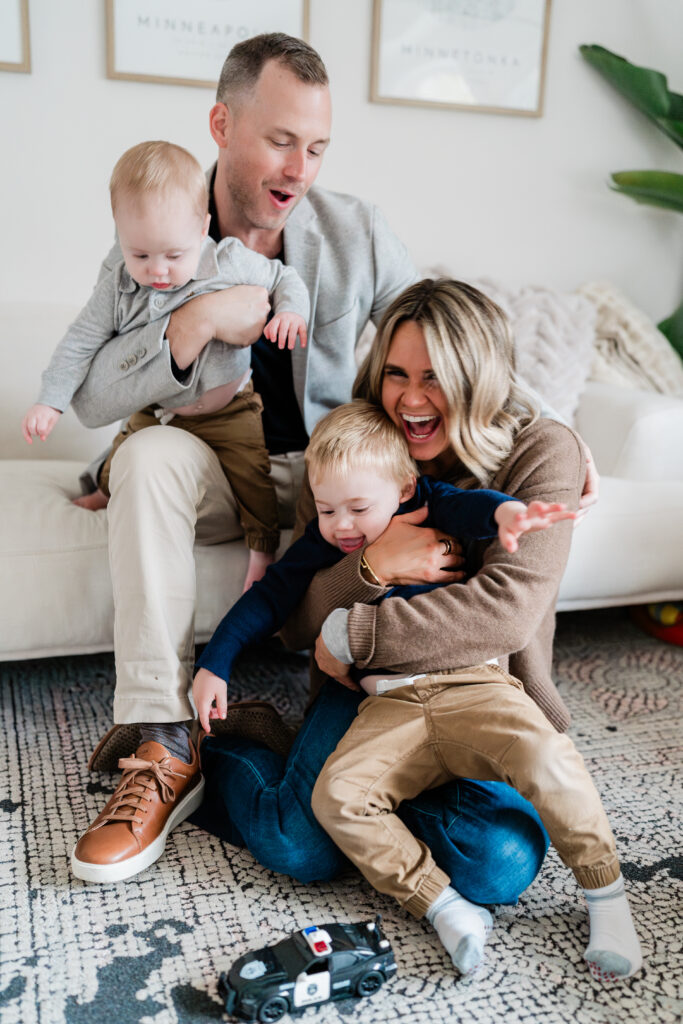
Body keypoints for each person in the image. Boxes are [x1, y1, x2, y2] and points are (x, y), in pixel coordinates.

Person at [68, 34, 595, 888]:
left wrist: (555, 432)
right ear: (221, 125)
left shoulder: (357, 232)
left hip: (337, 483)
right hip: (217, 465)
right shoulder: (160, 231)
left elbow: (445, 350)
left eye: (316, 148)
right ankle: (165, 744)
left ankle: (337, 769)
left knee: (478, 852)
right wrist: (188, 325)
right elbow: (92, 397)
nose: (299, 168)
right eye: (281, 141)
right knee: (151, 456)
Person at [196, 279, 640, 983]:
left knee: (499, 865)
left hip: (477, 687)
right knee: (299, 844)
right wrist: (371, 563)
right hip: (371, 697)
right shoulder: (359, 450)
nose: (409, 399)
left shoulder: (541, 450)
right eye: (396, 374)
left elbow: (502, 612)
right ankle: (219, 755)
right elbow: (295, 620)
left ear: (477, 377)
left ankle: (394, 800)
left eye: (434, 378)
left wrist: (352, 633)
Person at [192, 395, 574, 736]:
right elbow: (270, 598)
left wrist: (506, 513)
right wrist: (215, 662)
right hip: (378, 684)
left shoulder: (424, 500)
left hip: (447, 655)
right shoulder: (322, 541)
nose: (342, 525)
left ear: (404, 488)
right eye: (327, 510)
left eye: (359, 509)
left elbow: (467, 507)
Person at [22, 140, 309, 593]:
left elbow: (283, 277)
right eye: (140, 255)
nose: (157, 270)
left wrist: (290, 311)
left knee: (254, 477)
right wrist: (49, 401)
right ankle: (103, 489)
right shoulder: (117, 287)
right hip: (158, 408)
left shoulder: (228, 259)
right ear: (119, 234)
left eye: (173, 256)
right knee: (122, 456)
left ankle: (262, 548)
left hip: (228, 410)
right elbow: (79, 342)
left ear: (202, 230)